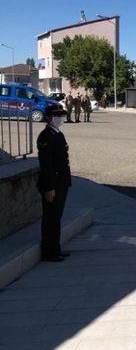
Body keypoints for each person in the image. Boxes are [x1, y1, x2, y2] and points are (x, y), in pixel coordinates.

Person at [37, 106, 72, 262]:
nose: (61, 118)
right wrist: (49, 188)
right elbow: (46, 165)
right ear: (49, 118)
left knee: (56, 218)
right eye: (58, 116)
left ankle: (55, 249)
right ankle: (48, 252)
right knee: (50, 218)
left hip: (62, 183)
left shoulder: (58, 134)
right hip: (52, 185)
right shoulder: (45, 136)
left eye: (62, 115)